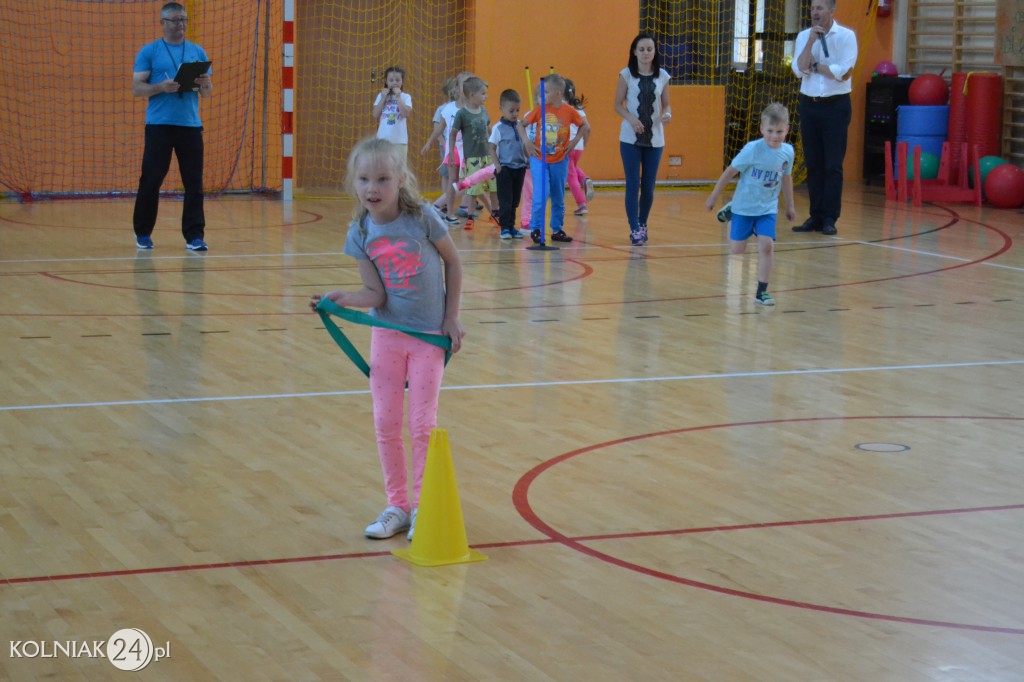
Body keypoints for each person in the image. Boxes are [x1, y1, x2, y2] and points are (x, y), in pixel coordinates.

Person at [309, 137, 465, 541]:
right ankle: (398, 506)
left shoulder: (423, 218)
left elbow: (453, 262)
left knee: (422, 424)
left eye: (382, 179)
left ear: (400, 180)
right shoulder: (360, 231)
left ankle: (425, 506)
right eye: (364, 179)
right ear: (354, 183)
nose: (372, 188)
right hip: (387, 337)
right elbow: (375, 294)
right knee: (386, 422)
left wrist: (451, 318)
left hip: (428, 336)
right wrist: (342, 299)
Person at [131, 2, 213, 251]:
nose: (181, 24)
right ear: (163, 23)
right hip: (159, 126)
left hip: (190, 126)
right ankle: (143, 233)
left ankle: (194, 236)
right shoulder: (150, 51)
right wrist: (160, 87)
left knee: (194, 182)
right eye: (176, 20)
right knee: (151, 179)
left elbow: (207, 93)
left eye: (184, 19)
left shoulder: (197, 51)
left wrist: (205, 83)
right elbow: (137, 88)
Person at [705, 103, 797, 306]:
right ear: (762, 129)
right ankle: (731, 213)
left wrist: (790, 205)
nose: (774, 136)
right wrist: (713, 196)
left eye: (779, 131)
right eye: (770, 131)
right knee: (737, 249)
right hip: (744, 207)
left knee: (767, 246)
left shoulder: (788, 152)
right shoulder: (752, 150)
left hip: (767, 208)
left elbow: (786, 178)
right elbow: (730, 172)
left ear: (787, 130)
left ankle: (761, 292)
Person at [790, 0, 857, 236]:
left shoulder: (846, 36)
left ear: (831, 10)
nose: (814, 12)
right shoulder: (804, 36)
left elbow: (843, 73)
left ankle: (830, 217)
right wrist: (811, 42)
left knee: (832, 165)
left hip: (836, 106)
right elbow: (799, 70)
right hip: (809, 104)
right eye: (812, 8)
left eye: (819, 8)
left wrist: (817, 67)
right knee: (814, 164)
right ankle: (815, 216)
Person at [615, 33, 672, 246]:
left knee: (648, 187)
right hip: (630, 139)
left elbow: (666, 104)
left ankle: (643, 223)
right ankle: (634, 228)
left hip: (655, 139)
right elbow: (617, 105)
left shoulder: (663, 76)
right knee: (633, 184)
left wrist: (667, 114)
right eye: (642, 49)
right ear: (634, 52)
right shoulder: (626, 75)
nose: (646, 53)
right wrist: (631, 119)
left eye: (649, 49)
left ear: (655, 52)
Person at [521, 73, 589, 244]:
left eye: (546, 92)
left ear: (558, 93)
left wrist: (574, 141)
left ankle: (557, 229)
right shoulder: (540, 110)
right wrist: (527, 142)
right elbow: (521, 125)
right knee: (541, 195)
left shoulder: (569, 111)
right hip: (539, 159)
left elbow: (584, 126)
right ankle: (536, 228)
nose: (543, 96)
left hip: (560, 160)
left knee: (558, 197)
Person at [450, 76, 498, 229]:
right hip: (472, 158)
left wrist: (496, 144)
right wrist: (451, 153)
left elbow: (489, 129)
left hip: (487, 156)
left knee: (493, 187)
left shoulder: (484, 111)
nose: (486, 97)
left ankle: (496, 215)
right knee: (473, 189)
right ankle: (470, 217)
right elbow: (452, 134)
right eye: (483, 94)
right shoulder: (462, 114)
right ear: (472, 95)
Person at [488, 89, 529, 240]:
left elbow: (524, 145)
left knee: (515, 200)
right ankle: (504, 227)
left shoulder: (520, 126)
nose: (515, 114)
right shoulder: (497, 128)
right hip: (505, 169)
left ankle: (512, 227)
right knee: (505, 200)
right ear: (501, 108)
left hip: (520, 168)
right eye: (511, 111)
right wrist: (498, 166)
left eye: (518, 110)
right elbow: (491, 148)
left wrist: (528, 160)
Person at [421, 76, 459, 221]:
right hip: (447, 147)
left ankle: (447, 202)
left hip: (458, 147)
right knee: (446, 174)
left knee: (457, 177)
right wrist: (443, 143)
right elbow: (438, 128)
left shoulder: (461, 108)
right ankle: (443, 202)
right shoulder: (442, 109)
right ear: (449, 91)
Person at [564, 79, 594, 216]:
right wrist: (584, 143)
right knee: (573, 168)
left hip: (567, 146)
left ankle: (582, 204)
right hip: (579, 146)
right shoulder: (578, 108)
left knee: (570, 176)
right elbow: (587, 128)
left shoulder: (562, 107)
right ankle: (584, 180)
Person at [372, 66, 413, 159]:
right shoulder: (381, 96)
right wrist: (383, 98)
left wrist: (398, 97)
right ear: (386, 81)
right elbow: (375, 114)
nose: (394, 83)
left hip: (399, 141)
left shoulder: (406, 97)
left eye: (398, 80)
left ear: (402, 82)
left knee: (399, 167)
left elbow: (405, 114)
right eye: (391, 80)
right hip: (382, 140)